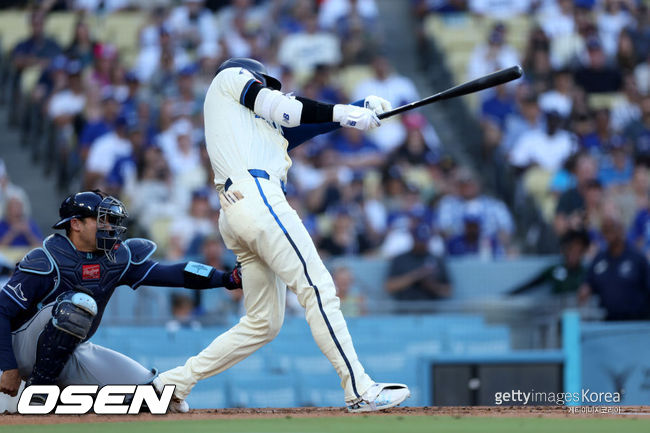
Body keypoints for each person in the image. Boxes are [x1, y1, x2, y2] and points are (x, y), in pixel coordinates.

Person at [157, 57, 410, 412]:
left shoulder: (254, 130)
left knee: (263, 323)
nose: (274, 89)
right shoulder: (230, 78)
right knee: (318, 287)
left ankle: (172, 384)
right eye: (268, 84)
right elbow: (287, 110)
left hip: (239, 209)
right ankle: (359, 389)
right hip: (257, 195)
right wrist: (346, 112)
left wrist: (358, 108)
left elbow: (308, 125)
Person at [0, 191, 242, 411]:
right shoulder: (45, 259)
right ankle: (38, 393)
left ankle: (55, 395)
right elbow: (1, 311)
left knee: (156, 398)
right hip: (20, 350)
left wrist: (226, 277)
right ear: (75, 224)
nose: (110, 227)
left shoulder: (115, 258)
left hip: (71, 351)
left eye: (110, 221)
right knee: (77, 306)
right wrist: (8, 367)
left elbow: (175, 272)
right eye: (101, 220)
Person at [579, 214, 650, 321]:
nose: (608, 233)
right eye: (605, 229)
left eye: (611, 228)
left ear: (621, 230)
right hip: (607, 323)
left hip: (635, 324)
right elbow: (588, 283)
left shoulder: (637, 258)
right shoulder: (599, 259)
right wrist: (585, 289)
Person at [385, 224, 451, 301]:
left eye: (424, 240)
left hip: (431, 309)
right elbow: (389, 286)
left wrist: (432, 286)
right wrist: (416, 275)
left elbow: (449, 291)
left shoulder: (437, 259)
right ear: (413, 238)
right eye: (419, 240)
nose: (422, 244)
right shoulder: (400, 259)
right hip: (404, 308)